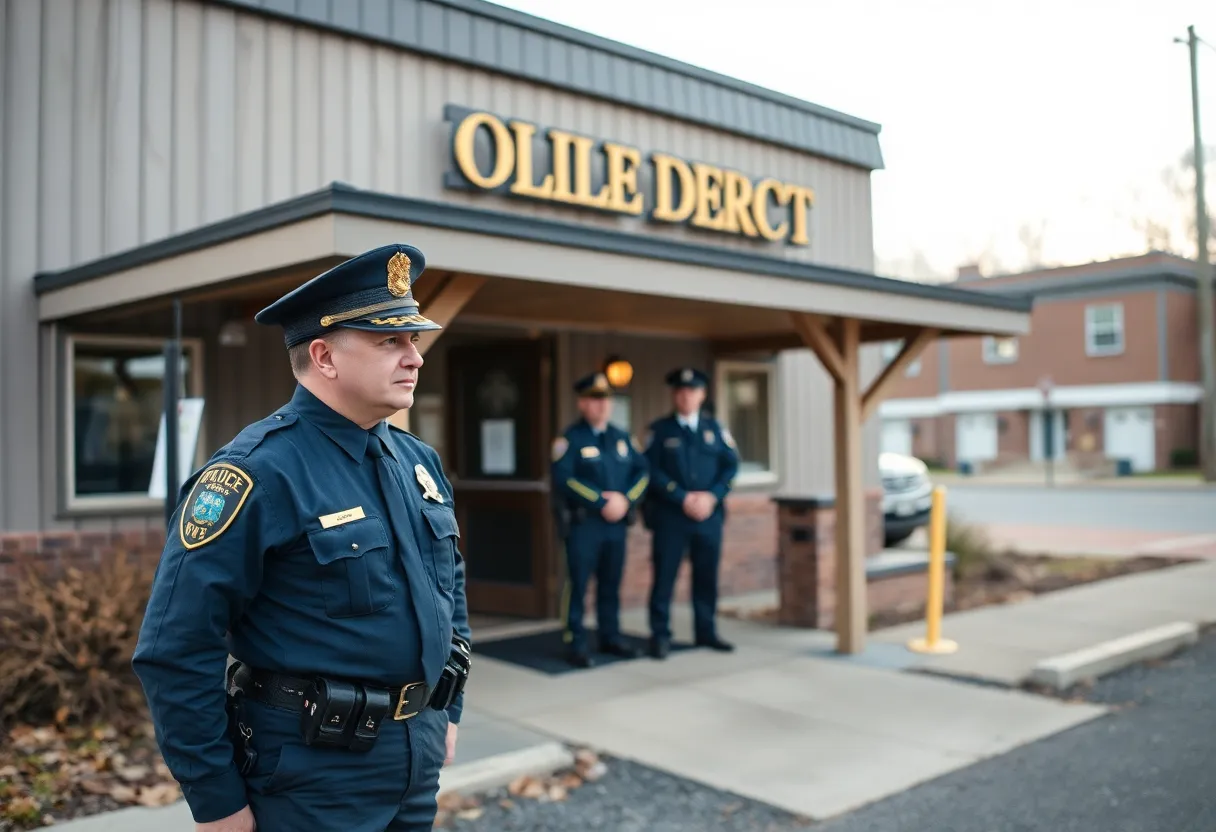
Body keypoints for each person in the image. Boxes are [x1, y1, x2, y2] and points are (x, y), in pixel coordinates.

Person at [132, 243, 472, 832]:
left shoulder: (418, 460)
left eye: (413, 339)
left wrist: (448, 708)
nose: (414, 357)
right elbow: (175, 649)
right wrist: (217, 802)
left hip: (413, 759)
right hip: (311, 774)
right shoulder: (256, 473)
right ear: (324, 356)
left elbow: (450, 588)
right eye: (390, 340)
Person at [550, 372, 650, 668]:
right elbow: (563, 478)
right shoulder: (570, 439)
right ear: (582, 403)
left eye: (606, 399)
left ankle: (611, 637)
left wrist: (625, 499)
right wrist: (600, 500)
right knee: (577, 586)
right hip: (584, 526)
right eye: (595, 399)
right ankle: (575, 642)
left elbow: (643, 473)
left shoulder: (622, 438)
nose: (602, 405)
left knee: (611, 583)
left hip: (616, 525)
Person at [642, 367, 740, 659]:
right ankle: (660, 635)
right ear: (674, 395)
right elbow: (649, 470)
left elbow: (730, 467)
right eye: (680, 391)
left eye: (692, 391)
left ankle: (706, 631)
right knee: (664, 578)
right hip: (671, 517)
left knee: (706, 576)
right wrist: (681, 497)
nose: (686, 396)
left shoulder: (715, 430)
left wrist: (712, 496)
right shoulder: (659, 431)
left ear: (702, 394)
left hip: (708, 516)